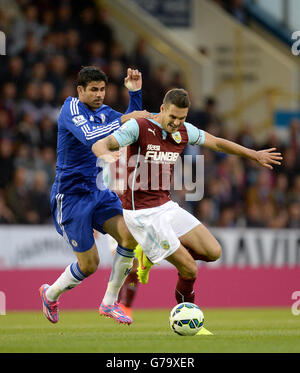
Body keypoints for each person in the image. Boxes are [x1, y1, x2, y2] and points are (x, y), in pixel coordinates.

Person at [93, 88, 282, 305]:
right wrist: (106, 155)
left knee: (213, 251)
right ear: (163, 109)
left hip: (166, 206)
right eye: (172, 117)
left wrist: (253, 154)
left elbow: (218, 143)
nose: (176, 123)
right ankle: (186, 311)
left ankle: (149, 255)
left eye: (181, 118)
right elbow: (102, 143)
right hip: (141, 214)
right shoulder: (139, 127)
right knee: (189, 268)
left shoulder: (184, 130)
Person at [39, 66, 152, 325]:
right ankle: (50, 294)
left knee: (129, 235)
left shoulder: (105, 113)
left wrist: (135, 94)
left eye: (102, 89)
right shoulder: (71, 109)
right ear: (80, 90)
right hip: (70, 197)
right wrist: (124, 119)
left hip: (98, 191)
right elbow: (90, 135)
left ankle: (109, 303)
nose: (99, 95)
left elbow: (130, 127)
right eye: (94, 90)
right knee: (89, 265)